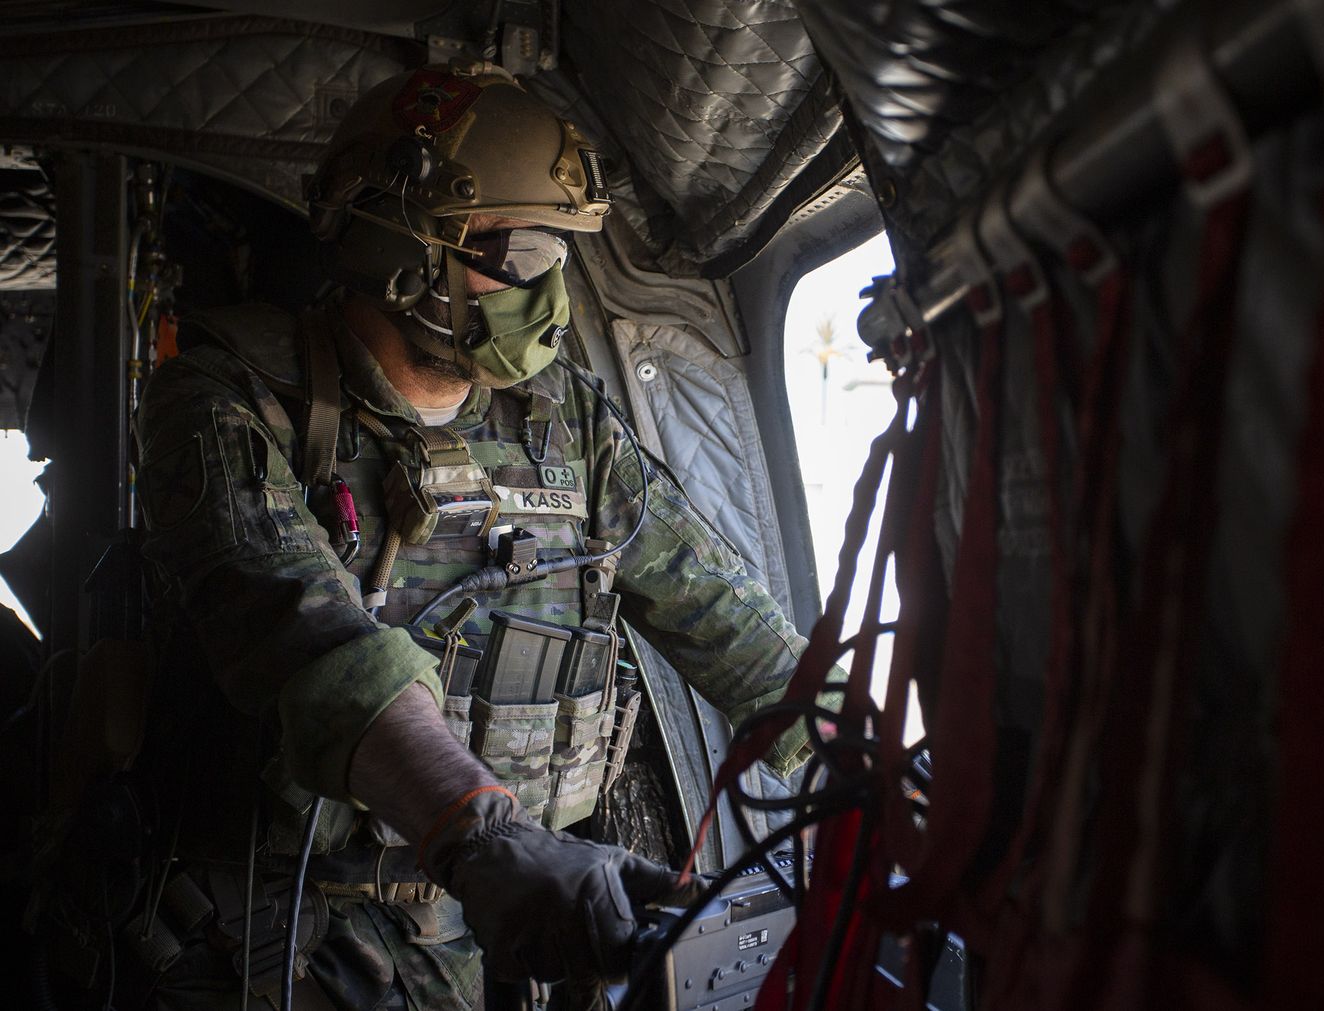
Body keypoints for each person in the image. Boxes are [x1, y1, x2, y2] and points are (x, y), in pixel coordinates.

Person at [91, 60, 814, 1010]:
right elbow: (317, 648)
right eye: (517, 254)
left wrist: (860, 739)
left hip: (525, 931)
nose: (549, 296)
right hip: (296, 940)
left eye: (562, 255)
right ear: (398, 245)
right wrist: (489, 837)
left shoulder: (568, 420)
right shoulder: (226, 397)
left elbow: (712, 600)